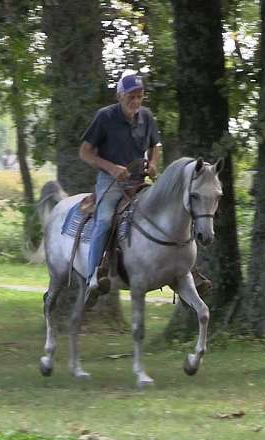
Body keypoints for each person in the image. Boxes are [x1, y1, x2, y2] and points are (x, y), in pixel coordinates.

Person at [79, 70, 161, 307]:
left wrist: (154, 164)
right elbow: (84, 152)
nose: (135, 101)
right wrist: (111, 168)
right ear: (119, 96)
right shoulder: (104, 117)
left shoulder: (147, 116)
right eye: (131, 97)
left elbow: (156, 145)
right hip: (111, 182)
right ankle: (92, 276)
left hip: (139, 180)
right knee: (104, 220)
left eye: (139, 96)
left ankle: (182, 270)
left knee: (168, 211)